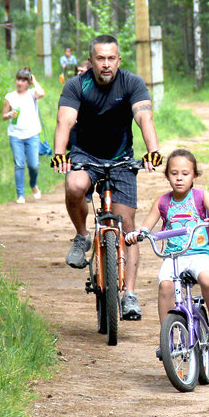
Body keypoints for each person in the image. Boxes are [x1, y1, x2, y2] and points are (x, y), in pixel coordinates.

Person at [51, 34, 161, 321]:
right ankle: (82, 236)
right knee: (75, 185)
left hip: (121, 158)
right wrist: (60, 152)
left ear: (119, 60)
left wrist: (153, 150)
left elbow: (144, 117)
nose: (106, 63)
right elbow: (66, 119)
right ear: (91, 61)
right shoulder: (77, 85)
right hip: (85, 155)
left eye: (111, 58)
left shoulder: (132, 83)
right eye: (100, 58)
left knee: (127, 228)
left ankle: (130, 295)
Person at [126, 149, 209, 347]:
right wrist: (137, 234)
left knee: (208, 279)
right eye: (174, 174)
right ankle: (167, 338)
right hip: (174, 257)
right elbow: (146, 227)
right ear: (167, 176)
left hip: (199, 254)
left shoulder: (201, 196)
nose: (179, 179)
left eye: (185, 174)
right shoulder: (162, 201)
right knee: (165, 286)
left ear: (194, 176)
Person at [2, 68, 46, 204]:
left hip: (32, 134)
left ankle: (33, 184)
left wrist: (34, 80)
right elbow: (4, 115)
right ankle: (20, 194)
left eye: (23, 80)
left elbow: (42, 93)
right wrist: (9, 114)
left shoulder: (32, 94)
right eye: (18, 80)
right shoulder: (10, 97)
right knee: (19, 164)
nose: (20, 83)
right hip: (15, 135)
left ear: (28, 82)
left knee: (33, 165)